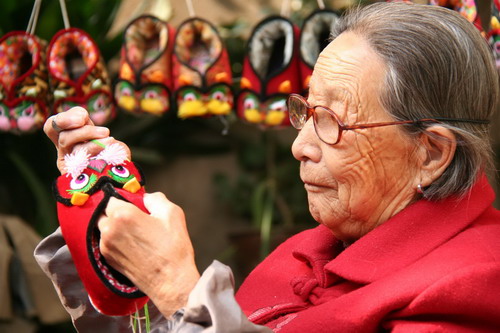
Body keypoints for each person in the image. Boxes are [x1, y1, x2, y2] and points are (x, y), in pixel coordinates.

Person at [36, 2, 500, 332]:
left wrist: (178, 287)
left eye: (332, 121)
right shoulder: (307, 253)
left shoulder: (472, 284)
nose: (300, 146)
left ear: (431, 153)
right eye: (306, 112)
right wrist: (103, 216)